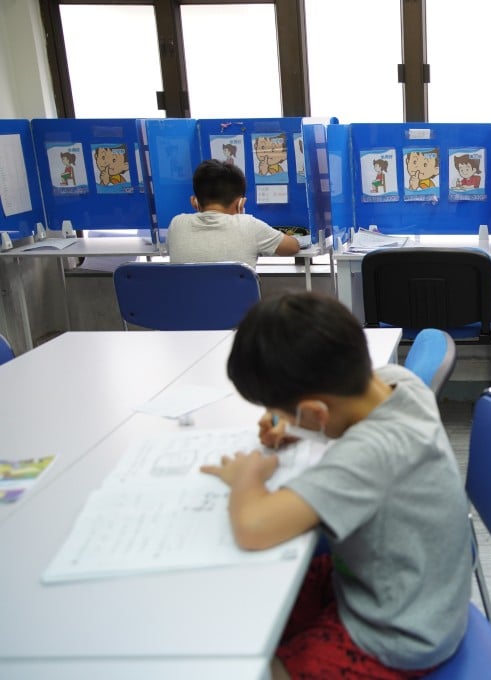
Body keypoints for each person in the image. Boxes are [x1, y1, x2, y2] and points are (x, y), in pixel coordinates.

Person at [200, 292, 472, 679]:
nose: (278, 421)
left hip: (399, 633)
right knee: (250, 611)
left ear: (315, 411)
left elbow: (253, 528)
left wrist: (246, 476)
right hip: (402, 580)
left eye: (280, 413)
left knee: (260, 668)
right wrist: (293, 425)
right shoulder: (400, 384)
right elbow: (340, 419)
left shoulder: (370, 454)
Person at [167, 159, 300, 268]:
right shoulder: (249, 226)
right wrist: (239, 218)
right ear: (240, 203)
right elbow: (293, 247)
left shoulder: (176, 224)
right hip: (239, 301)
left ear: (194, 202)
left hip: (186, 301)